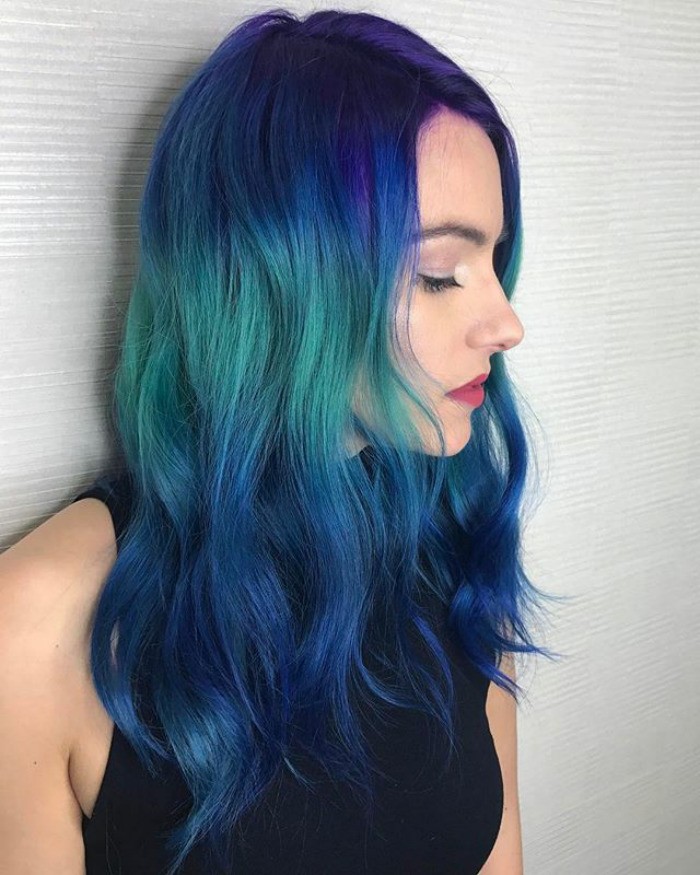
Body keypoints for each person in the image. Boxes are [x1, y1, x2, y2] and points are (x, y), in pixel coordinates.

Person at [0, 8, 560, 874]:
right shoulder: (40, 625)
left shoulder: (456, 539)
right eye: (439, 272)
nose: (507, 322)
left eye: (496, 261)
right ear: (275, 277)